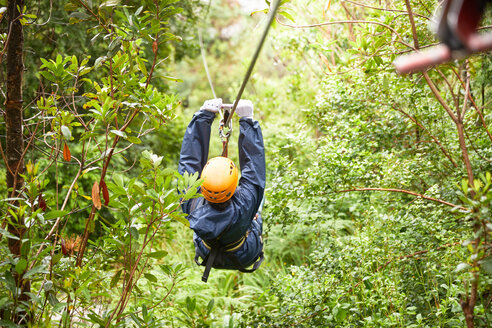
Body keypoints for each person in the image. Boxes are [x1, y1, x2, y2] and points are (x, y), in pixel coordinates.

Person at [178, 98, 266, 282]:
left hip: (207, 250)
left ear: (202, 185)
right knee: (259, 195)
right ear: (234, 187)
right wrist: (247, 121)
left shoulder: (191, 202)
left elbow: (189, 164)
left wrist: (203, 116)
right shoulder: (245, 204)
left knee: (255, 194)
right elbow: (254, 171)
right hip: (244, 253)